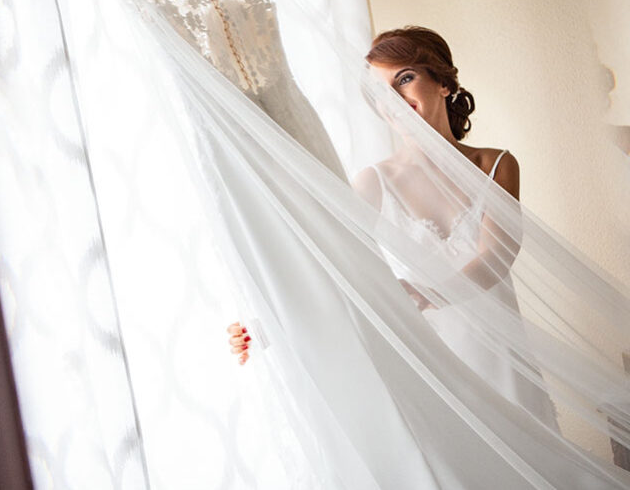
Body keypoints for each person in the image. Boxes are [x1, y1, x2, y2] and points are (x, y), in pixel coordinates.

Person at [228, 26, 558, 428]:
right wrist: (266, 323)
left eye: (404, 78)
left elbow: (497, 257)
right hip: (429, 359)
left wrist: (426, 292)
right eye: (382, 93)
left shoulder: (495, 164)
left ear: (443, 82)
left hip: (505, 361)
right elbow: (325, 260)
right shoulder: (372, 183)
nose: (396, 100)